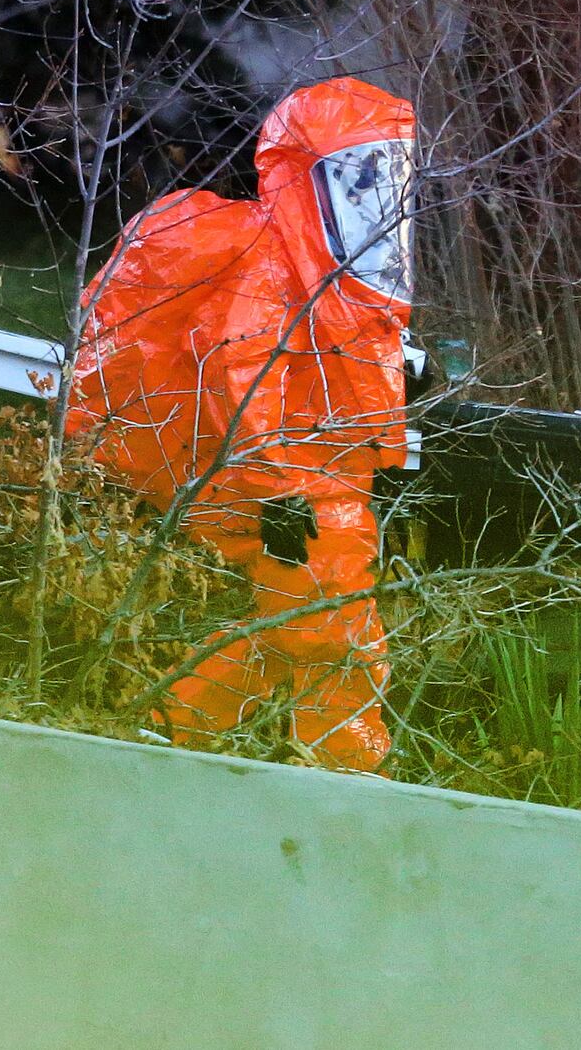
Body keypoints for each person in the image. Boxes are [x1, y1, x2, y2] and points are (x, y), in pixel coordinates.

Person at [67, 77, 416, 770]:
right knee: (335, 639)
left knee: (280, 631)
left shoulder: (328, 267)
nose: (371, 192)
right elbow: (236, 371)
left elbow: (333, 365)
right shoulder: (279, 265)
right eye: (356, 172)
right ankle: (349, 775)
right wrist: (277, 491)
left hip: (320, 477)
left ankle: (173, 735)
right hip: (302, 490)